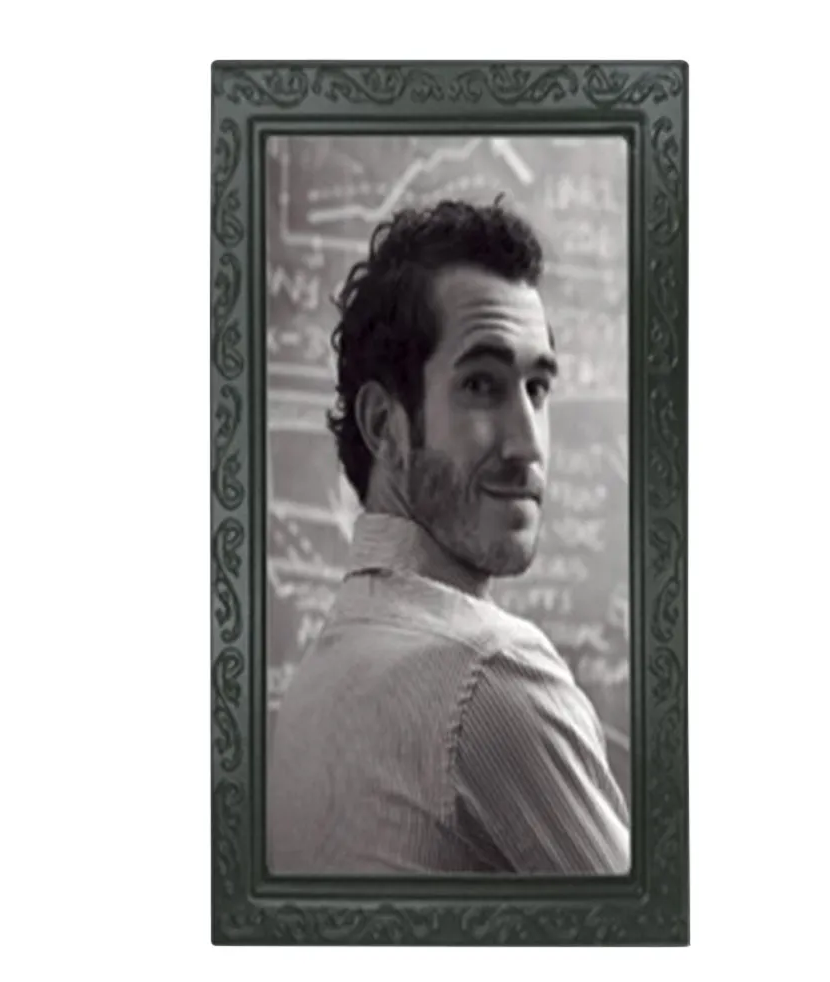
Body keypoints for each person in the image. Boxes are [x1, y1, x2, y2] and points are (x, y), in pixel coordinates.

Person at [267, 197, 630, 875]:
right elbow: (652, 931)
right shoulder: (493, 678)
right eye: (482, 385)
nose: (529, 444)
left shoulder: (317, 675)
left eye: (537, 388)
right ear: (385, 426)